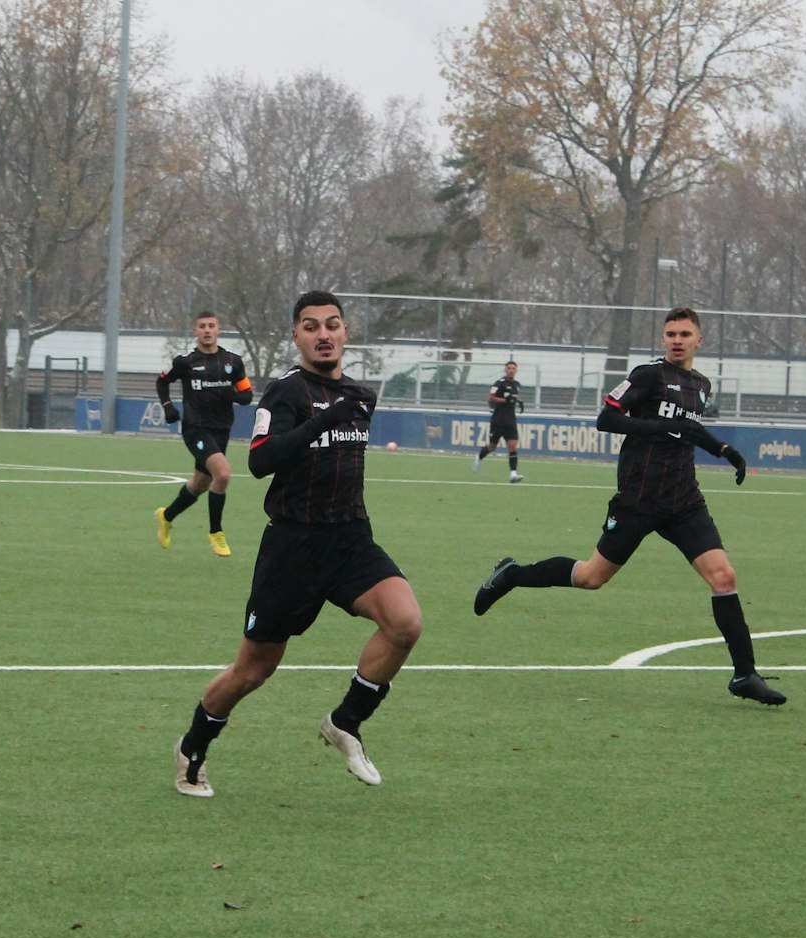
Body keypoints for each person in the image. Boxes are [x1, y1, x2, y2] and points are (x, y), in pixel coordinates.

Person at [173, 290, 422, 797]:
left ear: (346, 332)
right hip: (293, 547)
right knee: (253, 670)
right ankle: (192, 748)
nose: (324, 334)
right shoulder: (284, 392)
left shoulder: (361, 395)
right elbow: (261, 462)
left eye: (333, 325)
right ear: (296, 336)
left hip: (351, 538)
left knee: (405, 623)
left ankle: (346, 721)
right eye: (311, 326)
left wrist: (339, 414)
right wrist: (324, 419)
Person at [471, 307, 785, 707]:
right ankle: (512, 575)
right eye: (670, 333)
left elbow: (688, 428)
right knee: (590, 577)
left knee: (723, 577)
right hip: (637, 499)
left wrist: (725, 450)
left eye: (685, 333)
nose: (676, 339)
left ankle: (745, 674)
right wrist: (657, 426)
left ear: (698, 340)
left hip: (684, 501)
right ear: (663, 338)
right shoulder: (647, 375)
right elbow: (606, 419)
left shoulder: (701, 385)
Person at [153, 311, 256, 556]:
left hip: (221, 431)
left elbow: (247, 395)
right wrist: (167, 407)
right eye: (202, 326)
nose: (207, 330)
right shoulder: (185, 363)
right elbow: (161, 381)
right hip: (195, 429)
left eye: (211, 325)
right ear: (195, 331)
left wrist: (231, 394)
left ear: (219, 330)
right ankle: (216, 533)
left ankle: (166, 517)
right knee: (223, 473)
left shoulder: (233, 362)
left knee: (200, 484)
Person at [471, 360, 526, 480]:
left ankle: (513, 474)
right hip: (498, 420)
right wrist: (505, 400)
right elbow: (491, 397)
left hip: (510, 420)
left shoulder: (517, 384)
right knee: (492, 447)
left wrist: (519, 401)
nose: (511, 370)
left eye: (513, 368)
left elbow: (514, 397)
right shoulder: (499, 383)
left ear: (516, 370)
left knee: (512, 446)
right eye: (509, 368)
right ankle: (479, 456)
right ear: (505, 370)